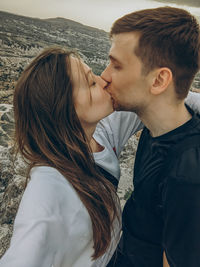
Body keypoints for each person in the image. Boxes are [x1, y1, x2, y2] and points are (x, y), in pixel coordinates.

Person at [0, 47, 145, 267]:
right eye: (91, 83)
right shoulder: (49, 189)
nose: (104, 79)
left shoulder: (100, 132)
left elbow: (158, 104)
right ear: (64, 108)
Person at [101, 6, 200, 267]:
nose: (104, 76)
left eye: (117, 65)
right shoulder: (156, 129)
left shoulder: (187, 177)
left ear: (158, 81)